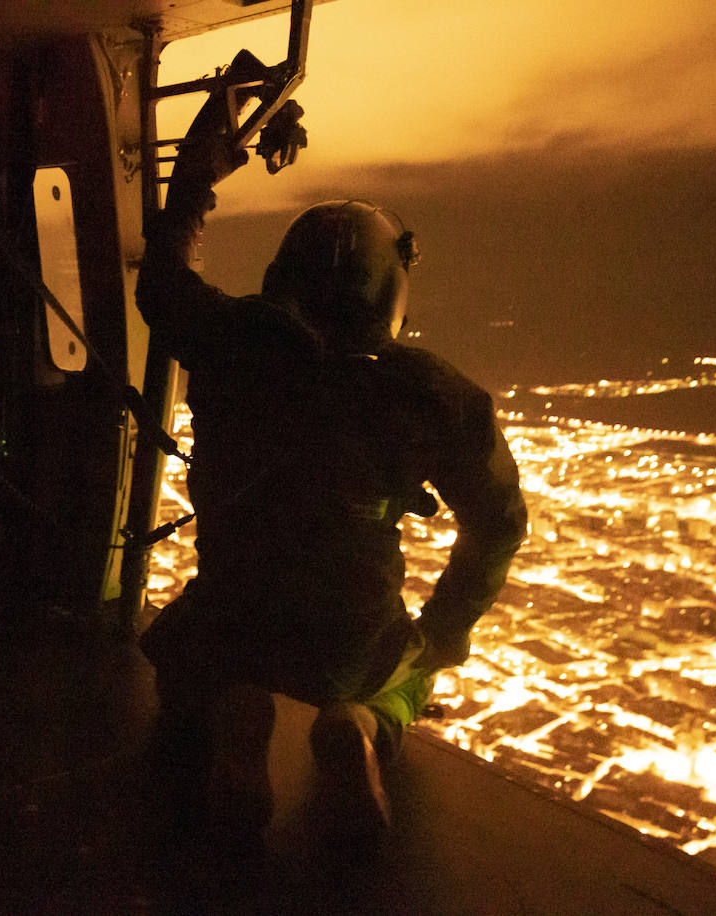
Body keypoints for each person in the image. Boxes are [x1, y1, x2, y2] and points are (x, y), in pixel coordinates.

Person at [135, 95, 528, 851]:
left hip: (232, 617)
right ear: (393, 294)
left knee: (181, 670)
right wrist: (441, 633)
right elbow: (500, 525)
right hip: (354, 639)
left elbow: (161, 277)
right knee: (414, 673)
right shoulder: (435, 393)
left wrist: (196, 178)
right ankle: (362, 722)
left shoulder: (227, 338)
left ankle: (234, 714)